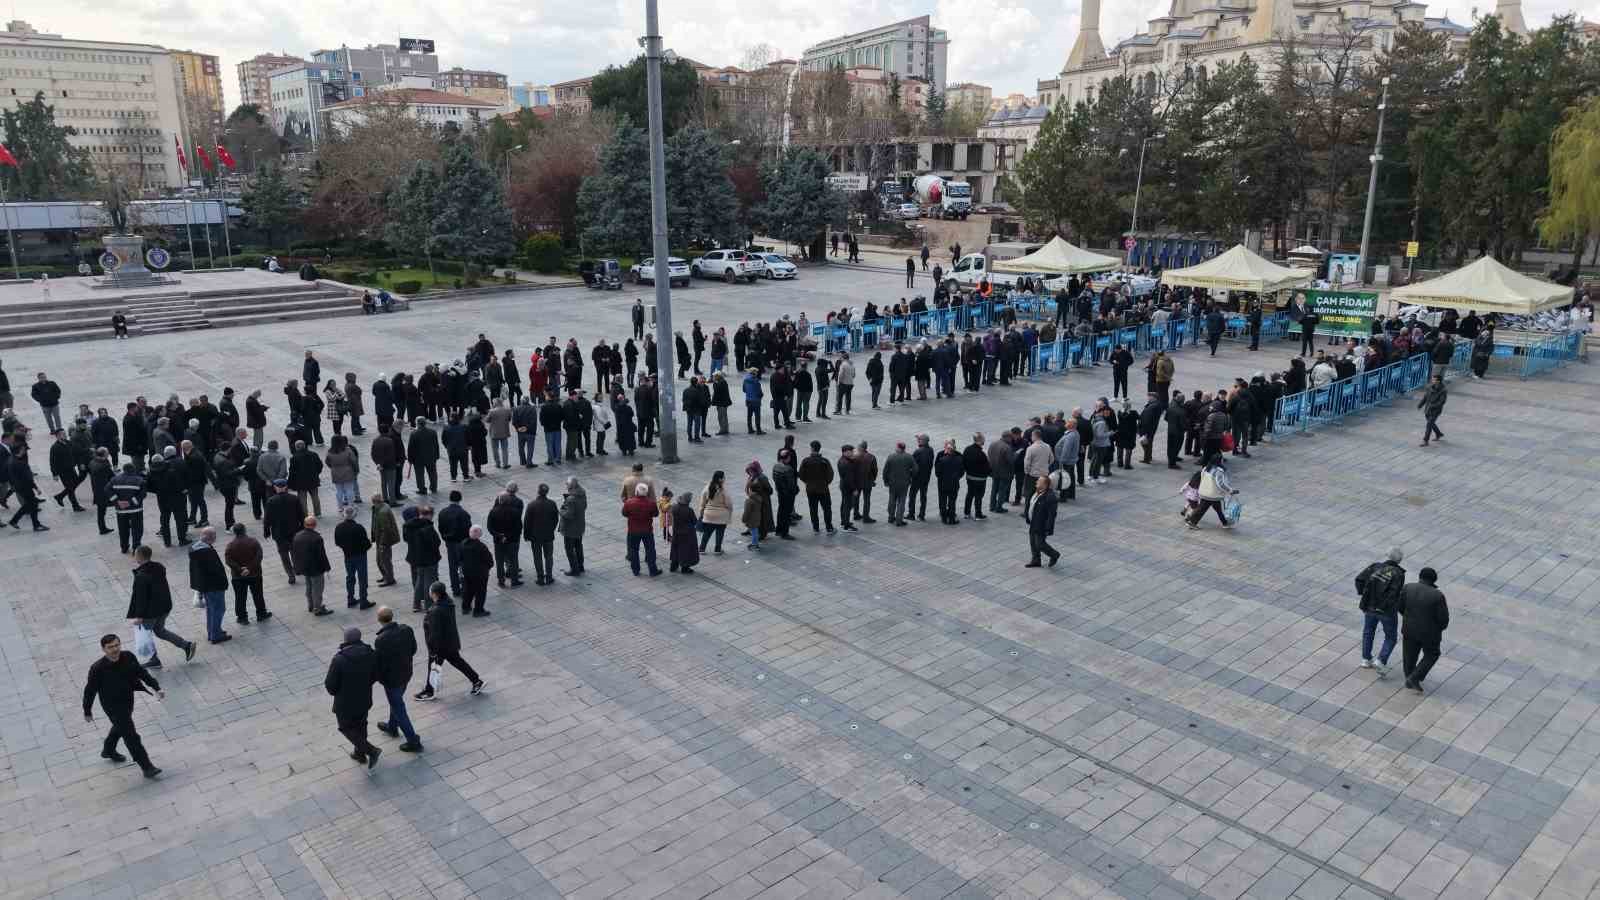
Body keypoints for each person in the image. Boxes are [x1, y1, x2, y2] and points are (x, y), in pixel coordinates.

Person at [82, 634, 163, 778]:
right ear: (103, 649)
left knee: (121, 727)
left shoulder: (128, 656)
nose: (115, 649)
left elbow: (141, 673)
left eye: (117, 645)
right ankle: (147, 767)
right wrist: (87, 710)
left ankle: (108, 749)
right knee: (131, 735)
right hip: (112, 705)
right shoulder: (97, 668)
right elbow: (90, 690)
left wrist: (156, 687)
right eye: (110, 647)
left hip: (127, 699)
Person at [126, 545, 195, 668]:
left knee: (146, 635)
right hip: (164, 607)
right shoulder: (158, 567)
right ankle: (186, 645)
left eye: (135, 554)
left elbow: (141, 598)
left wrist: (139, 616)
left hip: (150, 612)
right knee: (159, 631)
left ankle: (154, 660)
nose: (134, 556)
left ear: (140, 556)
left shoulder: (141, 576)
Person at [325, 626, 382, 770]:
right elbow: (376, 674)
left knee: (345, 727)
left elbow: (330, 684)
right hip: (364, 697)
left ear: (345, 640)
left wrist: (337, 692)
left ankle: (371, 750)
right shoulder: (370, 652)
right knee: (361, 724)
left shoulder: (339, 659)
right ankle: (359, 753)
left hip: (345, 702)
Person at [417, 582, 485, 699]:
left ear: (434, 594)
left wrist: (433, 649)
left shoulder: (436, 611)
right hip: (450, 642)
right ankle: (476, 681)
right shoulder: (447, 603)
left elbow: (435, 633)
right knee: (457, 662)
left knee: (433, 666)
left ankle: (429, 691)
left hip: (440, 646)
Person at [372, 607, 423, 753]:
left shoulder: (381, 640)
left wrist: (381, 679)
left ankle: (413, 741)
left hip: (392, 680)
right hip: (406, 673)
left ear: (379, 620)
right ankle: (392, 727)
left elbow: (379, 664)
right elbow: (413, 649)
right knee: (396, 702)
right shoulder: (406, 630)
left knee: (399, 708)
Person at [1354, 548, 1406, 675]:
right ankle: (1381, 660)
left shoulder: (1375, 566)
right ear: (1399, 560)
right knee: (1391, 637)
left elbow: (1359, 579)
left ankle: (1366, 659)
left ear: (1387, 555)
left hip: (1370, 606)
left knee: (1368, 631)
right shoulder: (1398, 573)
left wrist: (1365, 595)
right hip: (1386, 610)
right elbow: (1394, 593)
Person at [1399, 567, 1449, 693]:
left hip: (1409, 629)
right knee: (1432, 654)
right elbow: (1443, 619)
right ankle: (1414, 677)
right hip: (1430, 633)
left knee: (1409, 655)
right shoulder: (1437, 595)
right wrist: (1439, 629)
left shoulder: (1408, 588)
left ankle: (1409, 678)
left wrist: (1408, 618)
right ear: (1434, 580)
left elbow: (1400, 607)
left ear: (1420, 576)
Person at [189, 527, 231, 644]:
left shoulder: (195, 548)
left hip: (204, 585)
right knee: (218, 609)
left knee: (211, 610)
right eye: (214, 536)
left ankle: (212, 631)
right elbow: (216, 571)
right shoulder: (207, 552)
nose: (216, 538)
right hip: (214, 586)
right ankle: (215, 635)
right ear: (210, 538)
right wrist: (224, 583)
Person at [224, 523, 270, 625]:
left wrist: (240, 570)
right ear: (244, 530)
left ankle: (242, 618)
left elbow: (228, 560)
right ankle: (261, 614)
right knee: (258, 594)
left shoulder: (230, 545)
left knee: (240, 597)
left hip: (238, 577)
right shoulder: (253, 542)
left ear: (234, 532)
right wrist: (249, 569)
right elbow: (259, 557)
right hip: (255, 574)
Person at [292, 515, 334, 616]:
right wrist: (327, 567)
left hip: (305, 567)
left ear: (304, 524)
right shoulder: (316, 538)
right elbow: (321, 555)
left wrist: (297, 567)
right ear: (314, 525)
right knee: (317, 589)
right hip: (316, 568)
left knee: (309, 587)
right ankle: (318, 608)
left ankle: (311, 605)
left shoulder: (297, 536)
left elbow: (294, 553)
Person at [403, 505, 442, 612]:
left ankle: (416, 604)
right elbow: (436, 543)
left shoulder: (408, 525)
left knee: (419, 581)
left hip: (416, 558)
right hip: (429, 559)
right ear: (429, 515)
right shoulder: (428, 527)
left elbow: (406, 539)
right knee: (429, 582)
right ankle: (429, 605)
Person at [334, 506, 374, 610]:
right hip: (360, 555)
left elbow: (337, 542)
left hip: (347, 556)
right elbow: (366, 544)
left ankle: (350, 599)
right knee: (362, 578)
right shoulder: (359, 528)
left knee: (350, 577)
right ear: (354, 515)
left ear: (344, 515)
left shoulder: (339, 527)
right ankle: (363, 601)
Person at [622, 483, 662, 576]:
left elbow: (624, 513)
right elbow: (656, 514)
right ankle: (653, 570)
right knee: (650, 550)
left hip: (633, 530)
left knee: (633, 550)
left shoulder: (629, 502)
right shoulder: (651, 503)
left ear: (636, 492)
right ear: (646, 493)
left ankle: (635, 570)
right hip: (647, 530)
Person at [1186, 458, 1236, 529]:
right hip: (1213, 495)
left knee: (1207, 508)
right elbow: (1221, 484)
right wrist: (1230, 490)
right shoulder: (1218, 472)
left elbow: (1202, 478)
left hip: (1205, 492)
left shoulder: (1206, 468)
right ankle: (1192, 521)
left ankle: (1191, 520)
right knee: (1217, 509)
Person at [438, 490, 471, 597]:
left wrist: (445, 538)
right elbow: (468, 529)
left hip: (449, 543)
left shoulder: (442, 512)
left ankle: (455, 589)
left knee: (452, 567)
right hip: (461, 543)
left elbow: (440, 528)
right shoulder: (463, 513)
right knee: (463, 566)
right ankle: (465, 587)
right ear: (460, 499)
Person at [798, 440, 835, 534]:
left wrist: (808, 482)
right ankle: (829, 528)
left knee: (813, 509)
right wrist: (825, 483)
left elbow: (801, 475)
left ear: (812, 448)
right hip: (823, 489)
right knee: (827, 508)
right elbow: (830, 475)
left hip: (810, 490)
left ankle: (816, 528)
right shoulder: (824, 461)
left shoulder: (806, 461)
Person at [486, 492, 523, 588]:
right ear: (508, 500)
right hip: (512, 541)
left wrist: (500, 535)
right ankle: (514, 580)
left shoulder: (493, 511)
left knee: (499, 561)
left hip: (498, 541)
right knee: (513, 560)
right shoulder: (515, 512)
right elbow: (518, 527)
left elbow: (490, 527)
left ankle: (501, 581)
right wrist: (507, 536)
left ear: (499, 500)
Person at [108, 463, 147, 553]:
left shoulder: (114, 480)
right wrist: (130, 502)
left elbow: (107, 489)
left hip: (121, 511)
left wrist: (117, 501)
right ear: (133, 470)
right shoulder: (139, 480)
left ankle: (124, 547)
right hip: (135, 510)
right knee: (137, 529)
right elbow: (142, 495)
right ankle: (136, 547)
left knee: (123, 529)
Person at [1024, 476, 1061, 568]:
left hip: (1041, 525)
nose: (1036, 482)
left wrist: (1048, 528)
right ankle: (1036, 560)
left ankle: (1054, 554)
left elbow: (1051, 515)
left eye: (1039, 481)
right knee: (1033, 542)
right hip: (1033, 522)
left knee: (1040, 544)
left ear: (1045, 485)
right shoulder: (1035, 491)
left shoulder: (1050, 497)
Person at [460, 525, 493, 617]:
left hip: (467, 573)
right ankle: (478, 610)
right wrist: (487, 568)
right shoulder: (481, 547)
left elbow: (460, 558)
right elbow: (489, 561)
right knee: (480, 592)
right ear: (479, 535)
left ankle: (465, 607)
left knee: (468, 590)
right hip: (480, 574)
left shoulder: (463, 544)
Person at [882, 441, 917, 526]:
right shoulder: (909, 457)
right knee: (901, 501)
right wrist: (910, 476)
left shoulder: (891, 457)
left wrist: (886, 481)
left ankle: (890, 517)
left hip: (892, 483)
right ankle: (899, 520)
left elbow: (885, 471)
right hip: (904, 483)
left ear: (898, 447)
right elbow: (915, 469)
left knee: (892, 500)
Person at [698, 470, 733, 553]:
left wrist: (701, 512)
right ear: (721, 479)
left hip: (709, 515)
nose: (725, 479)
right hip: (721, 516)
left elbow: (702, 502)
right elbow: (729, 503)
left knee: (707, 533)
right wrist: (730, 510)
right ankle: (717, 549)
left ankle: (702, 548)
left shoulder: (707, 487)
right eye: (724, 477)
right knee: (720, 533)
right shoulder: (723, 490)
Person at [370, 494, 400, 587]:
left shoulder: (382, 512)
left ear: (376, 502)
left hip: (384, 541)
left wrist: (382, 543)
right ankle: (386, 576)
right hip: (380, 539)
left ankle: (390, 579)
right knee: (381, 560)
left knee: (384, 560)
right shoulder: (380, 508)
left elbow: (385, 530)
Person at [668, 492, 700, 574]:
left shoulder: (675, 507)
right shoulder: (689, 510)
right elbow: (694, 521)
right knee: (686, 551)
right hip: (687, 534)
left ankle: (673, 566)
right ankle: (685, 568)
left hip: (676, 532)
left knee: (676, 549)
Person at [962, 433, 990, 519]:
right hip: (980, 479)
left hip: (970, 477)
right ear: (980, 440)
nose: (984, 440)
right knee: (978, 496)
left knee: (969, 494)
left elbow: (964, 462)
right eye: (983, 439)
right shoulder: (981, 454)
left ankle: (967, 513)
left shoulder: (967, 449)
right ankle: (978, 514)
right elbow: (986, 467)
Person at [1418, 374, 1446, 447]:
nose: (1432, 381)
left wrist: (1433, 406)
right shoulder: (1429, 387)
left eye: (1434, 380)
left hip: (1435, 410)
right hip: (1427, 409)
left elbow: (1442, 402)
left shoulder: (1443, 390)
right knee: (1431, 423)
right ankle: (1439, 434)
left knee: (1429, 424)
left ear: (1438, 381)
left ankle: (1425, 440)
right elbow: (1425, 397)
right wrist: (1420, 404)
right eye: (1432, 379)